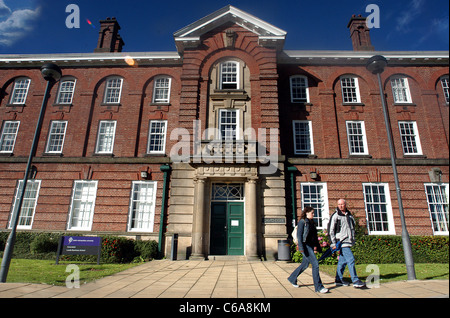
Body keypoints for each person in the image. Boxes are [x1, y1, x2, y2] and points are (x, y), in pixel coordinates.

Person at [288, 207, 328, 293]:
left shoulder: (312, 223)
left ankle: (292, 278)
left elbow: (314, 237)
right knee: (315, 264)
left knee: (305, 264)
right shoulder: (302, 222)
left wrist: (317, 247)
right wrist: (301, 248)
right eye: (312, 213)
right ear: (306, 213)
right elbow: (299, 236)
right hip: (305, 246)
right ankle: (319, 287)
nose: (313, 214)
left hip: (310, 245)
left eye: (313, 213)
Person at [329, 199, 365, 288]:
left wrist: (353, 238)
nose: (340, 206)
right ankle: (355, 280)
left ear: (345, 205)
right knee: (351, 259)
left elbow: (352, 228)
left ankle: (338, 279)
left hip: (349, 241)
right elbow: (331, 230)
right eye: (339, 204)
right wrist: (333, 243)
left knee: (342, 261)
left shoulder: (349, 215)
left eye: (342, 204)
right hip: (342, 242)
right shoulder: (335, 216)